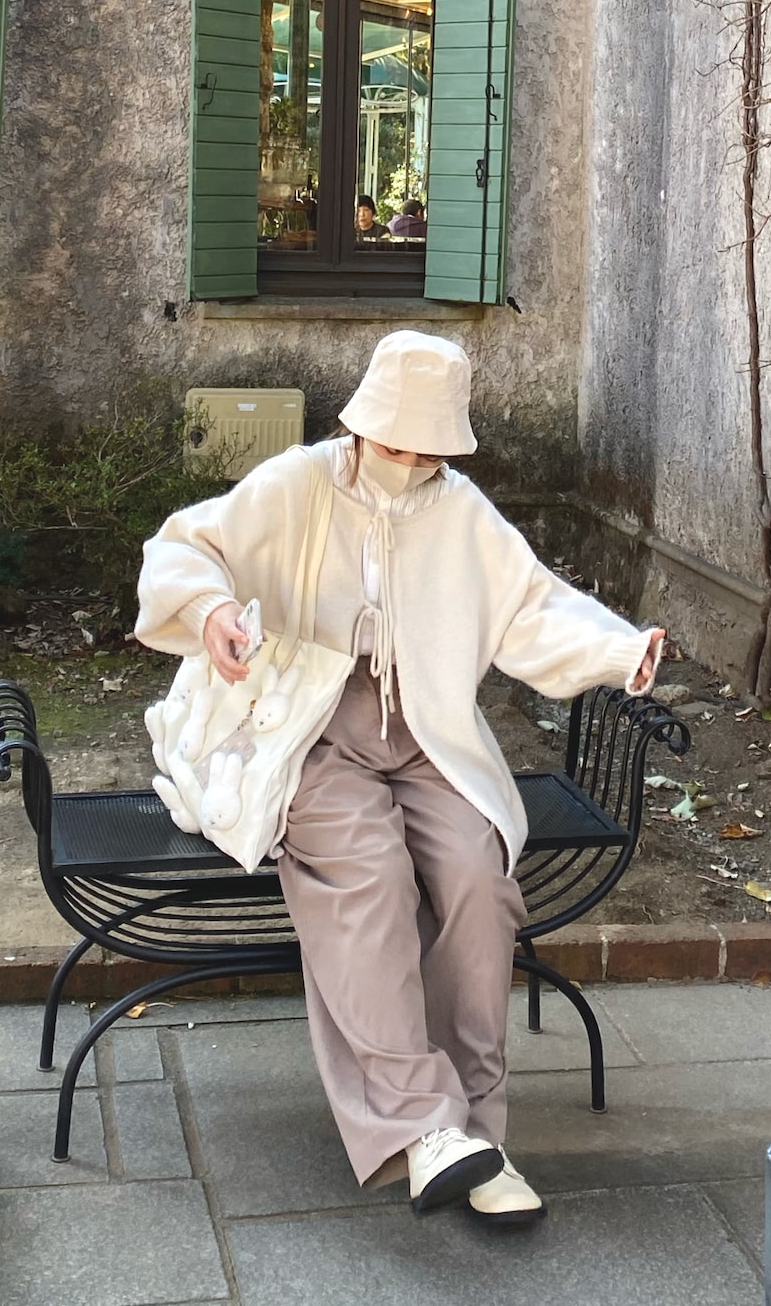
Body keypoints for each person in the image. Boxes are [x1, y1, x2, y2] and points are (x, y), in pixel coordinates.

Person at [135, 331, 664, 1226]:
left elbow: (529, 607)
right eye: (397, 442)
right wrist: (215, 608)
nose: (413, 462)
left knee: (478, 881)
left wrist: (619, 651)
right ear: (361, 422)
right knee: (368, 874)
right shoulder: (299, 481)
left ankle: (475, 1134)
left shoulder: (460, 510)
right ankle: (425, 1126)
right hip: (307, 725)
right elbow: (185, 546)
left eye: (430, 449)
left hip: (428, 730)